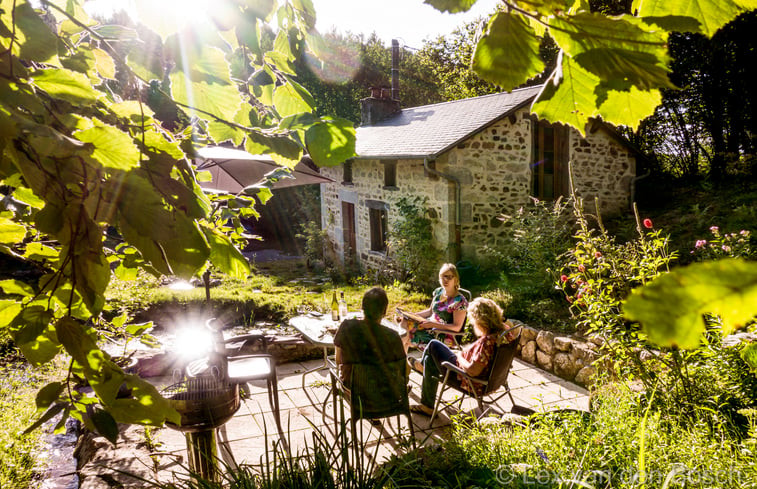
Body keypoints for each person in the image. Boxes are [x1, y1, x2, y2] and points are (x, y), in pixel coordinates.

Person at [407, 297, 511, 416]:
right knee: (430, 358)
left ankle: (423, 370)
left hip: (468, 380)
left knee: (433, 345)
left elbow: (472, 371)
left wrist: (460, 356)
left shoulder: (487, 343)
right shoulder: (505, 332)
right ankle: (426, 402)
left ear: (481, 321)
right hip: (495, 380)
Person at [334, 287, 406, 386]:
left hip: (353, 390)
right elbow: (404, 370)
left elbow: (338, 360)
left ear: (362, 307)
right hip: (384, 394)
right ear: (384, 311)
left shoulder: (346, 327)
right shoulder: (393, 336)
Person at [399, 263, 468, 352]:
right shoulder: (439, 292)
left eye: (449, 277)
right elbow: (430, 312)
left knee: (407, 336)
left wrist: (432, 324)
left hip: (443, 335)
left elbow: (457, 327)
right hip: (430, 327)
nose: (445, 280)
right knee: (405, 321)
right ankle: (402, 361)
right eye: (443, 277)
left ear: (456, 279)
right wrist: (410, 315)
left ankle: (401, 361)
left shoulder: (459, 301)